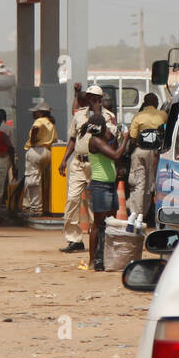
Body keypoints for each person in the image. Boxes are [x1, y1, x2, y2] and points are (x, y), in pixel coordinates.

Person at [59, 83, 117, 253]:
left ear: (100, 99)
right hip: (78, 163)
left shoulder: (108, 116)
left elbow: (111, 137)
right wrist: (64, 159)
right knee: (72, 200)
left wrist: (98, 115)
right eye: (89, 97)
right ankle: (74, 239)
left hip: (96, 165)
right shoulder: (79, 116)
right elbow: (72, 139)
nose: (91, 100)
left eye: (95, 98)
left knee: (96, 205)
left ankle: (97, 238)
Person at [84, 109, 130, 272]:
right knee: (98, 224)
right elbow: (116, 155)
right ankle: (92, 260)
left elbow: (112, 144)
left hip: (109, 185)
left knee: (110, 224)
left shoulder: (102, 138)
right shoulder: (95, 141)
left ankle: (104, 258)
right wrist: (125, 138)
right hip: (100, 186)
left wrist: (114, 134)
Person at [126, 91, 167, 222]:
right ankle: (144, 213)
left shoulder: (138, 116)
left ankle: (135, 213)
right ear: (156, 103)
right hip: (155, 153)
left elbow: (132, 139)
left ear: (144, 103)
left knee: (138, 183)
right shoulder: (163, 115)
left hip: (140, 151)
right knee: (150, 184)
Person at [23, 99, 58, 217]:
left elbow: (35, 128)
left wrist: (33, 139)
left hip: (36, 151)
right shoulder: (50, 123)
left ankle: (35, 208)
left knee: (32, 180)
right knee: (39, 180)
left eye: (35, 112)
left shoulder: (40, 120)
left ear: (41, 113)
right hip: (47, 152)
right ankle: (35, 206)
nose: (33, 114)